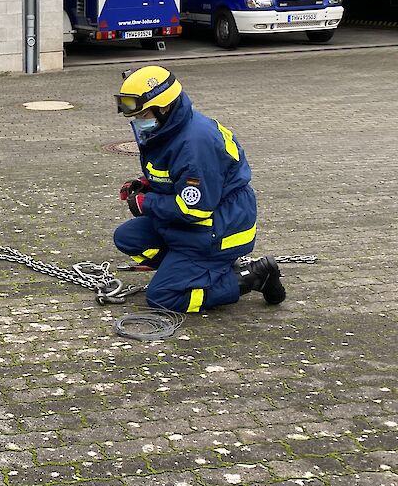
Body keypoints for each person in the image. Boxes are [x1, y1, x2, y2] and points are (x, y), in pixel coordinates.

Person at [112, 65, 285, 313]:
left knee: (162, 297)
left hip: (217, 230)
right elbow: (176, 178)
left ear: (163, 108)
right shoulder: (170, 129)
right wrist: (146, 185)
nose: (138, 122)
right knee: (127, 238)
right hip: (193, 228)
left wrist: (146, 203)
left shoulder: (195, 145)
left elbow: (195, 208)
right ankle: (194, 272)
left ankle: (249, 278)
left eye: (142, 115)